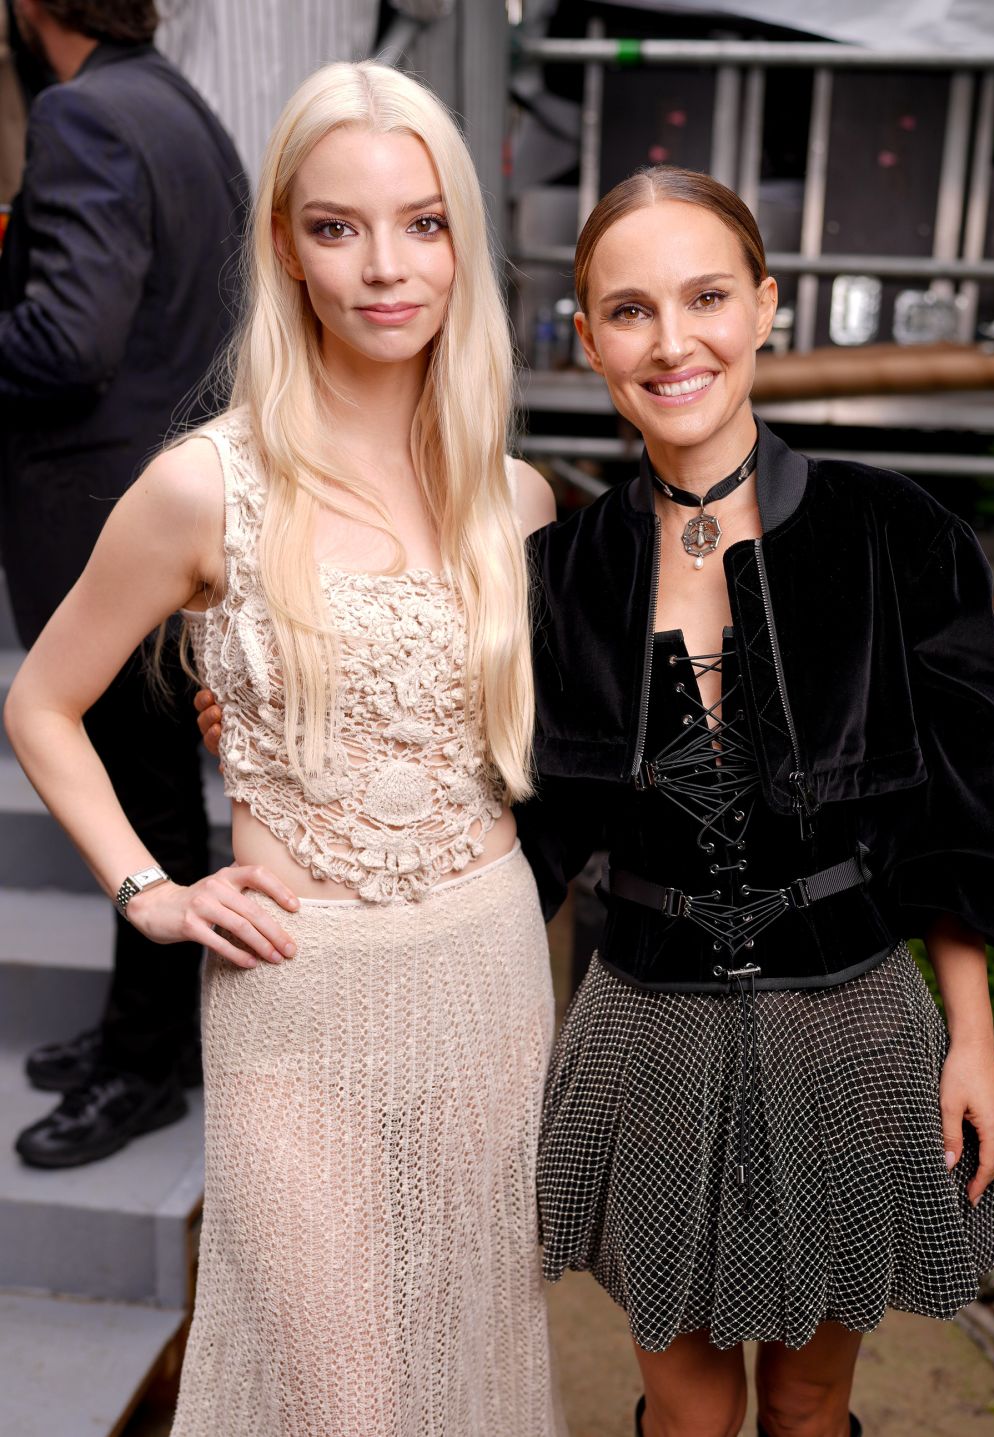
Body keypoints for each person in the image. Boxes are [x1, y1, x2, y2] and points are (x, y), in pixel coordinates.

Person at [5, 59, 563, 1436]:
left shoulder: (519, 500)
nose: (386, 266)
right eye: (338, 226)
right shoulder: (203, 484)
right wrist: (153, 890)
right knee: (345, 1402)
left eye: (423, 223)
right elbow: (39, 702)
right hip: (295, 1001)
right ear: (284, 248)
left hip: (489, 977)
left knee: (472, 1352)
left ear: (462, 244)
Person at [523, 169, 994, 1437]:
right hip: (645, 1031)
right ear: (587, 339)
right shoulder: (558, 573)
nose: (673, 341)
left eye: (706, 296)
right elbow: (507, 816)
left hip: (850, 1023)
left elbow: (969, 813)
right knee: (685, 1409)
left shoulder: (900, 534)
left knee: (810, 1405)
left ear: (766, 307)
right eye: (631, 311)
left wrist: (970, 1042)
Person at [0, 0, 247, 1166]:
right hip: (166, 501)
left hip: (99, 513)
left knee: (137, 796)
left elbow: (67, 342)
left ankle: (143, 1065)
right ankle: (149, 1029)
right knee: (152, 787)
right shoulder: (179, 106)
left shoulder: (82, 112)